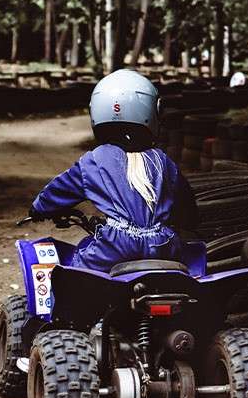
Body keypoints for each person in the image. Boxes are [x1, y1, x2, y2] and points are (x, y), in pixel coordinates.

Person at [29, 69, 198, 274]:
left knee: (69, 279)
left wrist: (39, 208)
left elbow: (58, 191)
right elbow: (187, 205)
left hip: (114, 247)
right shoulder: (163, 161)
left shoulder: (94, 159)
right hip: (164, 246)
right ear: (153, 111)